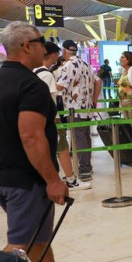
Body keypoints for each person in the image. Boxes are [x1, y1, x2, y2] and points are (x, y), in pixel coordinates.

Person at [0, 21, 94, 262]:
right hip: (26, 179)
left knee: (37, 236)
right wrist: (53, 179)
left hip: (1, 174)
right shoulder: (31, 85)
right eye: (41, 40)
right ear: (27, 46)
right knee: (20, 246)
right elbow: (32, 137)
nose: (45, 45)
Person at [35, 42, 90, 191]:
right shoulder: (47, 75)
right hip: (52, 117)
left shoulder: (33, 72)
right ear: (53, 55)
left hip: (41, 117)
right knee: (63, 147)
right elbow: (50, 97)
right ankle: (71, 179)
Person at [56, 40, 102, 182]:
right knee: (85, 136)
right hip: (86, 107)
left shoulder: (68, 65)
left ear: (64, 51)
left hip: (74, 108)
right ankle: (86, 167)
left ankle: (84, 169)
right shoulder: (85, 64)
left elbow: (59, 87)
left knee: (79, 137)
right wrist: (94, 99)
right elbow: (98, 81)